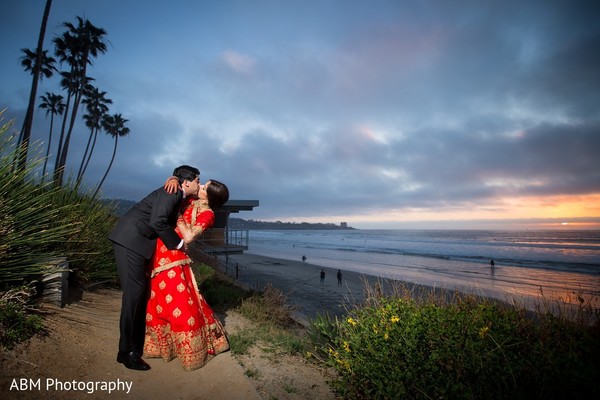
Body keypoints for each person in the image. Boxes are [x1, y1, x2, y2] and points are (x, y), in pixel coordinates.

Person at [109, 165, 201, 371]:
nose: (199, 184)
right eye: (197, 180)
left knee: (138, 294)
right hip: (130, 241)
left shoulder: (176, 190)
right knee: (133, 295)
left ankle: (131, 348)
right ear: (187, 182)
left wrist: (173, 177)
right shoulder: (173, 192)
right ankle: (126, 353)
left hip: (135, 243)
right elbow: (158, 221)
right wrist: (177, 244)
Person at [144, 178, 231, 371]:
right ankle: (165, 348)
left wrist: (177, 216)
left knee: (180, 303)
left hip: (175, 257)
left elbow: (189, 236)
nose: (199, 187)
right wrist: (174, 179)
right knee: (158, 302)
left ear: (210, 196)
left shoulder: (208, 214)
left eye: (204, 188)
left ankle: (192, 351)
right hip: (158, 253)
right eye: (202, 184)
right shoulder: (190, 201)